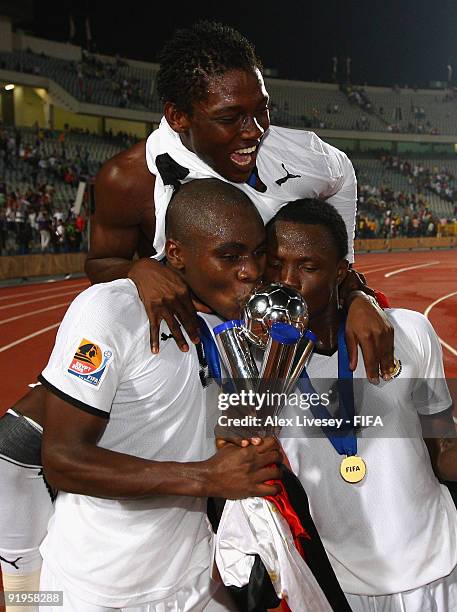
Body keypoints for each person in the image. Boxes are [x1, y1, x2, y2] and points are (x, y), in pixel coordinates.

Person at [1, 19, 393, 600]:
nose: (254, 130)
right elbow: (100, 263)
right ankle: (29, 588)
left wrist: (351, 284)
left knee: (344, 430)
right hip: (186, 328)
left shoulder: (306, 157)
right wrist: (138, 268)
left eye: (261, 110)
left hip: (264, 332)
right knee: (21, 442)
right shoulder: (128, 178)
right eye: (231, 117)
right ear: (178, 116)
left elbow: (342, 185)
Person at [36, 179, 285, 612]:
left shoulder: (226, 327)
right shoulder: (111, 311)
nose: (251, 270)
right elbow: (62, 459)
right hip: (100, 589)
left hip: (196, 578)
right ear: (176, 254)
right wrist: (206, 477)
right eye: (230, 256)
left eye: (258, 252)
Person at [260, 198, 457, 611]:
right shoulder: (257, 364)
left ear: (340, 272)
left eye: (308, 267)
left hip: (437, 568)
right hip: (335, 583)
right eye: (276, 266)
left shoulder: (410, 331)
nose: (288, 281)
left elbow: (444, 451)